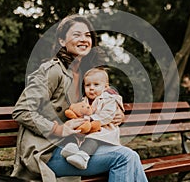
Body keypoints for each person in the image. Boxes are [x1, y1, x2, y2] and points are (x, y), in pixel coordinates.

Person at [11, 14, 148, 182]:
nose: (84, 39)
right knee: (124, 157)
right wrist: (58, 129)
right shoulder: (51, 70)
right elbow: (22, 110)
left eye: (88, 35)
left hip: (78, 146)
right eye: (77, 34)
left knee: (130, 157)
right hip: (47, 152)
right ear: (62, 40)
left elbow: (107, 93)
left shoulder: (87, 74)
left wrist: (118, 111)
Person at [60, 67, 124, 170]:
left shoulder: (109, 99)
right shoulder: (84, 100)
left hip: (105, 129)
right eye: (88, 85)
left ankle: (83, 157)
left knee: (93, 138)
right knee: (74, 132)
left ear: (106, 87)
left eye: (96, 85)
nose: (91, 88)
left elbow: (107, 115)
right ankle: (71, 147)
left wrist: (91, 118)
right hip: (88, 128)